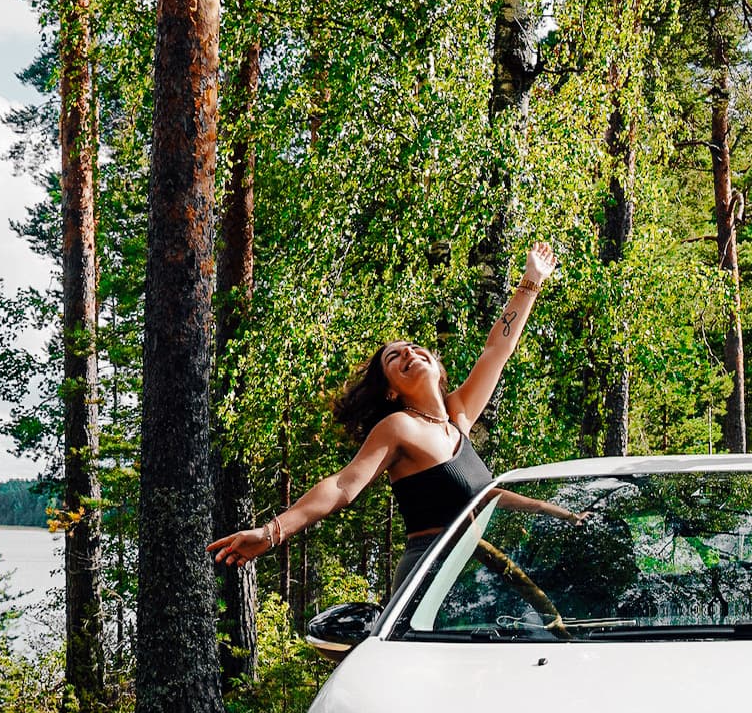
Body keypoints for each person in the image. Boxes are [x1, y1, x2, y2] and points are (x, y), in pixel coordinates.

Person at [208, 240, 584, 594]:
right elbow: (343, 486)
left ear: (435, 364)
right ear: (390, 390)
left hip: (476, 576)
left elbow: (496, 351)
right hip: (428, 576)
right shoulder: (399, 427)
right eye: (395, 357)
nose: (408, 353)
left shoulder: (457, 417)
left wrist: (531, 280)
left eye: (414, 348)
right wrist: (272, 533)